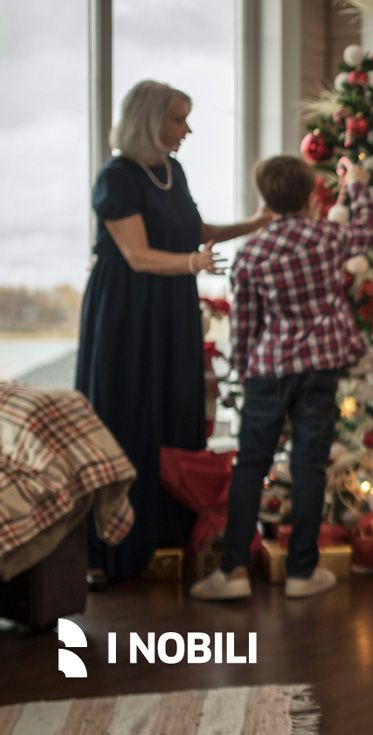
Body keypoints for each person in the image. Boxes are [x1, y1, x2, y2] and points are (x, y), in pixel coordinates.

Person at [76, 80, 273, 588]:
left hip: (171, 308)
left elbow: (196, 231)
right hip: (127, 312)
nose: (187, 129)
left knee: (174, 411)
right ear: (150, 120)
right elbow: (138, 255)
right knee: (128, 414)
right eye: (178, 118)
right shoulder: (116, 176)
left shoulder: (172, 170)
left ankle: (168, 537)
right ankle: (114, 551)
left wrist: (254, 223)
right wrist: (192, 263)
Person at [189, 155, 373, 601]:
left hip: (269, 370)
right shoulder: (327, 234)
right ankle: (301, 572)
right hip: (321, 365)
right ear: (313, 194)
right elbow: (367, 231)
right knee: (309, 465)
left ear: (266, 199)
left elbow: (245, 324)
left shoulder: (252, 252)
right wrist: (357, 185)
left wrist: (242, 368)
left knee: (251, 466)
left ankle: (233, 570)